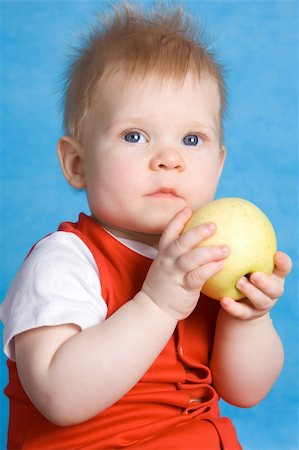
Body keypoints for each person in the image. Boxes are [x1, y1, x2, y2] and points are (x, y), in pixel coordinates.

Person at [0, 3, 292, 449]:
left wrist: (249, 318)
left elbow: (246, 392)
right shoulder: (64, 260)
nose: (169, 159)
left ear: (217, 167)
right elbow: (58, 396)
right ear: (78, 164)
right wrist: (157, 304)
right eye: (134, 136)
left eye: (192, 140)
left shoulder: (206, 257)